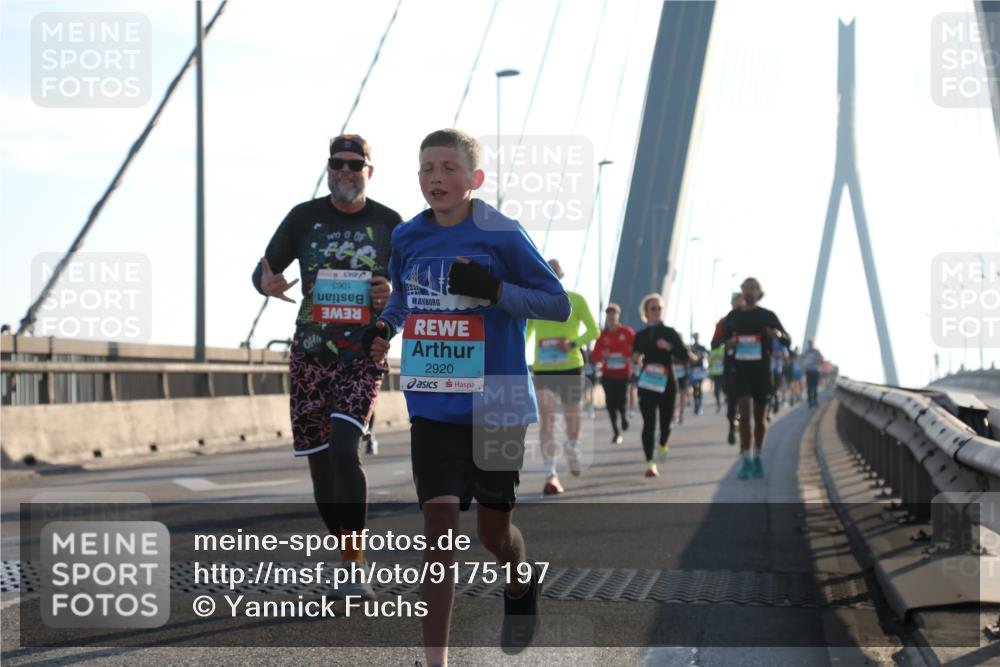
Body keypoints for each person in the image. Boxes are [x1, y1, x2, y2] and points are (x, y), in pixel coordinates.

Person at [363, 129, 570, 665]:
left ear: (475, 178)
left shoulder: (502, 233)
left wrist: (495, 291)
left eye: (448, 167)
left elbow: (557, 305)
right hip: (434, 402)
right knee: (438, 532)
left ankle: (519, 577)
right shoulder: (407, 236)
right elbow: (404, 299)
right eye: (427, 168)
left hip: (499, 402)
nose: (436, 177)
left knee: (493, 533)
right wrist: (384, 328)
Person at [252, 134, 401, 598]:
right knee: (319, 464)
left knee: (342, 450)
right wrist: (266, 283)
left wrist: (390, 292)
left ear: (369, 172)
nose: (345, 171)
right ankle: (346, 554)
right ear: (328, 168)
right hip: (310, 355)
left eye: (355, 164)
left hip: (362, 356)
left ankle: (355, 567)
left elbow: (410, 287)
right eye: (337, 163)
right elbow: (263, 269)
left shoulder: (390, 223)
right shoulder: (304, 217)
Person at [526, 260, 599, 496]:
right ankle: (551, 473)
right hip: (544, 369)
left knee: (572, 418)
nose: (551, 276)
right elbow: (525, 334)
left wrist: (573, 344)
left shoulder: (575, 300)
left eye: (555, 273)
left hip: (571, 367)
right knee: (546, 418)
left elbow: (594, 330)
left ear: (561, 276)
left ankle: (573, 445)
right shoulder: (535, 303)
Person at [721, 277, 791, 479]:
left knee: (760, 418)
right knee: (744, 413)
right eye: (746, 288)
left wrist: (778, 335)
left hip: (761, 372)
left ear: (759, 292)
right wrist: (729, 343)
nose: (749, 291)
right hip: (741, 371)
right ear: (742, 291)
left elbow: (787, 339)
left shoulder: (767, 315)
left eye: (753, 288)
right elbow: (721, 340)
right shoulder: (734, 316)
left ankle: (758, 456)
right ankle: (746, 459)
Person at [632, 293, 692, 478]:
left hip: (667, 383)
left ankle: (663, 443)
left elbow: (684, 354)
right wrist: (635, 357)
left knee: (666, 424)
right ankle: (650, 463)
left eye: (659, 308)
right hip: (647, 383)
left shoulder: (670, 332)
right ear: (646, 312)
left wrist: (669, 347)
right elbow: (634, 355)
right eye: (653, 308)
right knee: (649, 423)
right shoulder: (640, 335)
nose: (657, 311)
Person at [593, 303, 635, 444]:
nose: (611, 319)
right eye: (609, 317)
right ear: (606, 318)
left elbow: (637, 350)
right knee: (610, 404)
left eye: (614, 316)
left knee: (621, 401)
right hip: (607, 375)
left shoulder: (628, 333)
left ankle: (623, 416)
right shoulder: (602, 335)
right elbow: (594, 356)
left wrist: (631, 357)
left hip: (623, 374)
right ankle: (616, 431)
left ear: (618, 316)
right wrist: (602, 355)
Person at [711, 292, 745, 445]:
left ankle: (745, 440)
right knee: (731, 402)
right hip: (730, 366)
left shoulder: (752, 319)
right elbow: (714, 344)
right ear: (731, 303)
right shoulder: (724, 322)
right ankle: (732, 425)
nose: (739, 303)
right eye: (736, 300)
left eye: (741, 300)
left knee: (747, 403)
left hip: (749, 366)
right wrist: (727, 341)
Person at [801, 338, 825, 407]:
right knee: (809, 386)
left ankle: (815, 399)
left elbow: (822, 359)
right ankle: (810, 401)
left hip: (816, 371)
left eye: (811, 343)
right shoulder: (806, 352)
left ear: (813, 344)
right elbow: (802, 360)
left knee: (815, 386)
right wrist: (804, 367)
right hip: (808, 371)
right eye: (809, 343)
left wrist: (817, 359)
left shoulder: (817, 351)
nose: (810, 344)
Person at [689, 333, 708, 415]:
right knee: (694, 388)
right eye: (695, 336)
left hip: (700, 370)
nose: (696, 338)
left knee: (699, 387)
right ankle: (696, 404)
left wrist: (703, 356)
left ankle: (699, 405)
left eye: (697, 336)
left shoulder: (702, 347)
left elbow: (708, 354)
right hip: (693, 370)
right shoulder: (691, 347)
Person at [708, 342, 726, 414]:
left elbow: (710, 363)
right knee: (722, 389)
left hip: (717, 373)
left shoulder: (712, 352)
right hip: (721, 373)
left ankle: (719, 404)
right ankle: (722, 403)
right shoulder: (723, 349)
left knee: (718, 390)